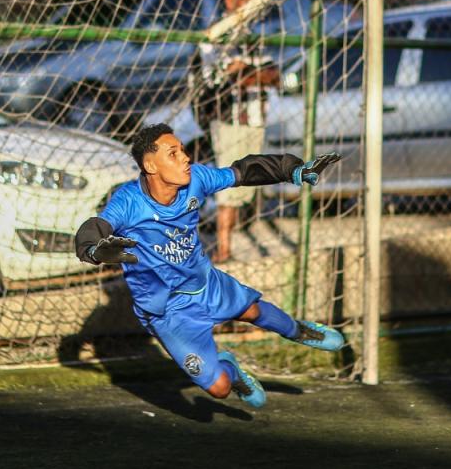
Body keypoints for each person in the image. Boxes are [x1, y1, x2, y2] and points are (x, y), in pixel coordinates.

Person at [74, 124, 344, 409]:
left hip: (205, 283)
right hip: (167, 312)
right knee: (219, 389)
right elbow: (94, 227)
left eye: (183, 150)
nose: (185, 157)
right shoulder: (128, 202)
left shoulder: (197, 178)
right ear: (150, 165)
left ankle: (299, 331)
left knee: (252, 310)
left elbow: (243, 172)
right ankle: (230, 369)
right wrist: (93, 249)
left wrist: (292, 169)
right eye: (173, 153)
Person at [194, 0, 280, 262]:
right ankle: (224, 248)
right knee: (227, 183)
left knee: (246, 180)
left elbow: (274, 76)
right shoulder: (215, 36)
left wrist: (246, 72)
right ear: (230, 1)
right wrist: (247, 74)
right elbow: (217, 79)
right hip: (229, 118)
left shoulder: (255, 35)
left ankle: (234, 235)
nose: (252, 2)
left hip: (254, 117)